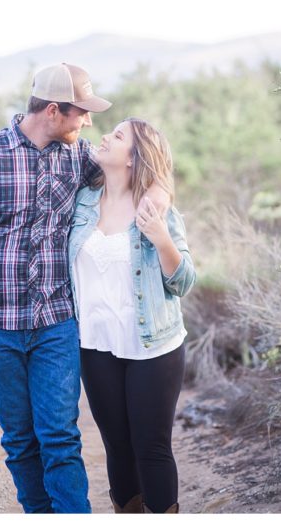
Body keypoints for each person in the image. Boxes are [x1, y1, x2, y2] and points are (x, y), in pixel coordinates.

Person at [67, 118, 195, 514]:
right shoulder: (82, 200)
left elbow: (184, 282)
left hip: (152, 345)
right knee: (117, 445)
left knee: (151, 446)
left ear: (134, 158)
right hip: (96, 344)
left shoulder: (156, 211)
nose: (104, 136)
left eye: (117, 136)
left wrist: (160, 238)